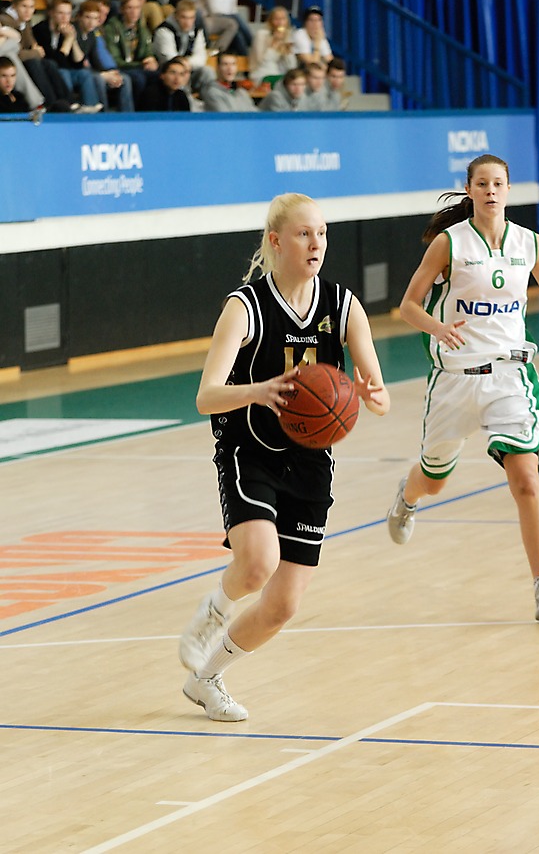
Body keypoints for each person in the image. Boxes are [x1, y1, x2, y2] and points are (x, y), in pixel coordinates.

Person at [178, 192, 390, 721]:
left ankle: (207, 679)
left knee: (283, 605)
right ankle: (213, 611)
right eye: (304, 234)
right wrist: (259, 390)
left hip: (311, 458)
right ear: (276, 241)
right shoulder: (245, 306)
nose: (316, 243)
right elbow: (205, 397)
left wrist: (370, 395)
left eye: (322, 233)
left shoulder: (343, 306)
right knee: (257, 564)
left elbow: (381, 396)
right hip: (249, 448)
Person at [386, 153, 539, 623]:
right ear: (469, 190)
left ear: (508, 189)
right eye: (481, 183)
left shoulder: (529, 242)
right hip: (454, 378)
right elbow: (408, 305)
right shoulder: (448, 244)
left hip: (509, 376)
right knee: (434, 480)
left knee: (526, 479)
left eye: (498, 183)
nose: (490, 190)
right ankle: (408, 497)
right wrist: (437, 328)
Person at [0, 0, 74, 111]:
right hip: (7, 60)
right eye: (24, 6)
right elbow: (19, 52)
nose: (28, 11)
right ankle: (48, 104)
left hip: (18, 58)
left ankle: (68, 102)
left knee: (49, 64)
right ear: (14, 6)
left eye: (31, 7)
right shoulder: (5, 20)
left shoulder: (25, 21)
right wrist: (34, 52)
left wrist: (33, 51)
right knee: (34, 62)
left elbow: (33, 46)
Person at [33, 0, 103, 109]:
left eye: (68, 13)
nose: (65, 17)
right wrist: (68, 40)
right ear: (51, 13)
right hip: (47, 71)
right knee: (64, 72)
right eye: (61, 13)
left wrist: (73, 40)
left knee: (84, 74)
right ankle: (69, 107)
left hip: (66, 70)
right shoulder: (41, 29)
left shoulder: (67, 30)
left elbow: (78, 63)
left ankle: (90, 107)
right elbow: (55, 62)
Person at [75, 0, 134, 110]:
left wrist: (108, 73)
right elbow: (77, 63)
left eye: (95, 18)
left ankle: (127, 115)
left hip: (92, 71)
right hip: (79, 72)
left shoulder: (92, 34)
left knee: (124, 79)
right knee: (99, 79)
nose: (91, 22)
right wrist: (102, 75)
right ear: (79, 17)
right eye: (88, 17)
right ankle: (103, 114)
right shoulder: (74, 32)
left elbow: (95, 59)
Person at [104, 0, 158, 104]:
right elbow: (115, 59)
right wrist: (141, 65)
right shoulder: (111, 28)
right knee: (138, 79)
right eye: (130, 8)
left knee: (160, 76)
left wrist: (151, 59)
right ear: (122, 10)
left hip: (138, 66)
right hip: (122, 67)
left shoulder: (141, 28)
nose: (134, 12)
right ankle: (134, 110)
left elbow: (147, 50)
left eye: (137, 8)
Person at [153, 0, 212, 95]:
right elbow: (170, 58)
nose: (188, 22)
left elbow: (201, 57)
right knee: (179, 73)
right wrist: (184, 67)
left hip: (188, 69)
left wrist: (187, 63)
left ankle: (210, 101)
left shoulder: (197, 30)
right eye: (184, 17)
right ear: (176, 16)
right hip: (166, 72)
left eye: (191, 18)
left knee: (207, 71)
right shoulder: (164, 30)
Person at [248, 5, 296, 87]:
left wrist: (288, 51)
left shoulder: (287, 37)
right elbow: (261, 61)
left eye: (283, 19)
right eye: (277, 19)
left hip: (277, 74)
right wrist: (274, 43)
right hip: (260, 74)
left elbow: (292, 66)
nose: (280, 22)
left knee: (297, 80)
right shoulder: (261, 34)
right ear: (271, 21)